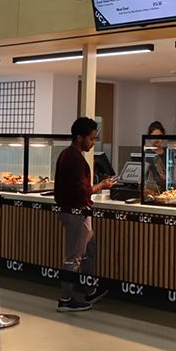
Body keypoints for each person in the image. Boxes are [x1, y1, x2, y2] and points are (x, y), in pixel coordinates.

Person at [54, 117, 116, 312]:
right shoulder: (75, 159)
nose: (93, 142)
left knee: (89, 249)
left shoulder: (66, 154)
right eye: (91, 138)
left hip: (76, 212)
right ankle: (66, 298)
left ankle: (91, 289)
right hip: (77, 213)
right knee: (74, 257)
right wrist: (102, 186)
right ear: (79, 137)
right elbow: (81, 192)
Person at [143, 121, 176, 197]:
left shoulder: (168, 151)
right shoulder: (147, 152)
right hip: (150, 193)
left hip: (167, 193)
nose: (157, 139)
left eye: (160, 136)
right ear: (149, 138)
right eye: (154, 136)